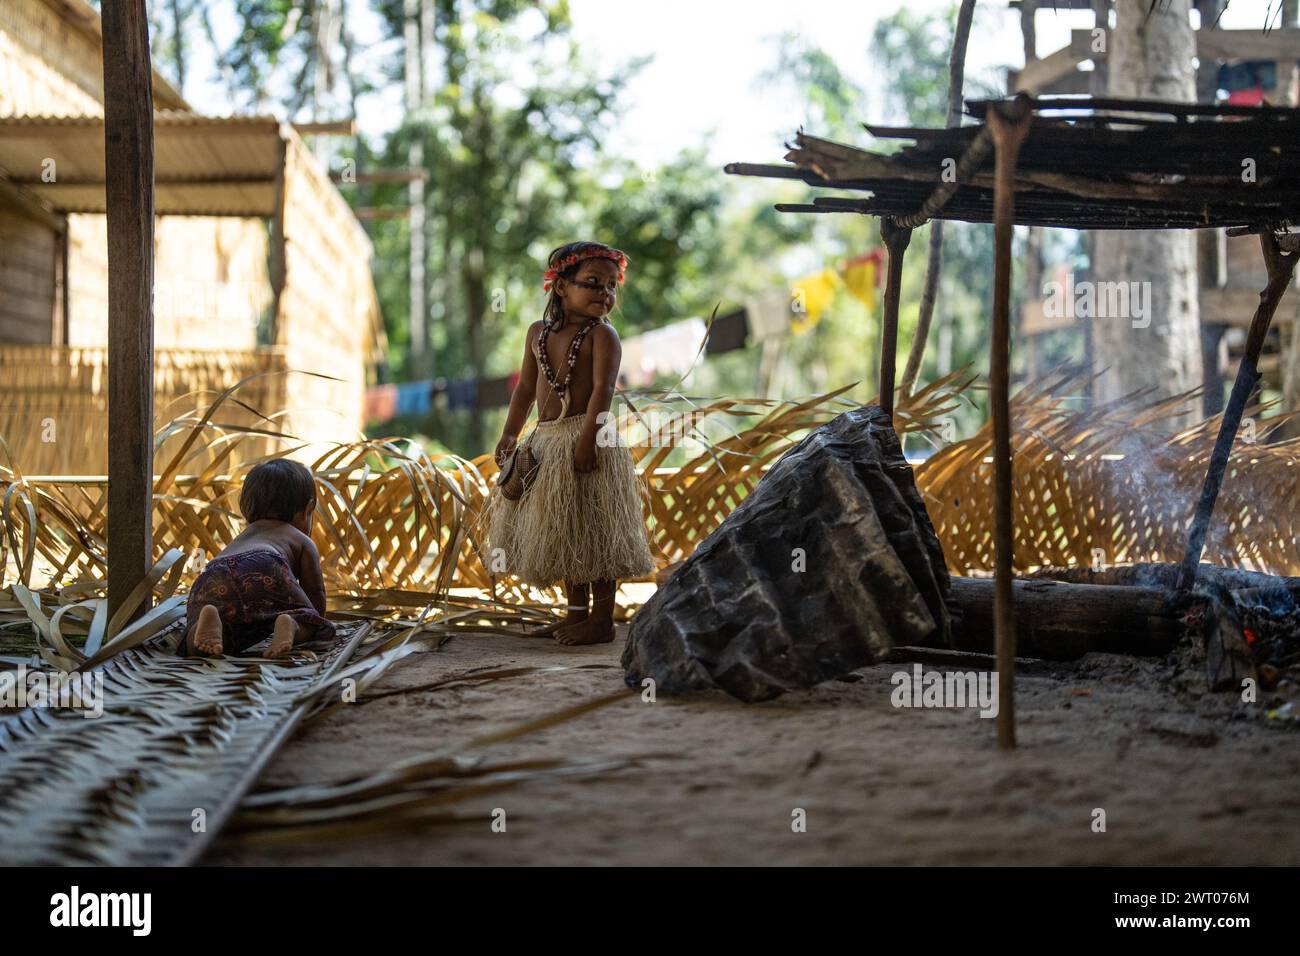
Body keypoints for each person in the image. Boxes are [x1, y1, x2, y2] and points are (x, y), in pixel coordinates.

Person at [488, 241, 655, 645]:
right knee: (565, 530)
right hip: (547, 441)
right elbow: (526, 388)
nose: (605, 294)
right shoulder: (537, 334)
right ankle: (575, 614)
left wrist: (589, 440)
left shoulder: (603, 336)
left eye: (612, 286)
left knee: (595, 530)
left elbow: (603, 391)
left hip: (588, 439)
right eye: (594, 283)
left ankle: (601, 619)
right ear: (560, 286)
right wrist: (510, 433)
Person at [179, 458, 336, 658]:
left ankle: (204, 625)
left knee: (224, 636)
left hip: (214, 572)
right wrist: (313, 621)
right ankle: (291, 625)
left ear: (245, 508)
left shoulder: (245, 536)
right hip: (265, 563)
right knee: (310, 624)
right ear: (308, 509)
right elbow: (316, 592)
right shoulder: (300, 540)